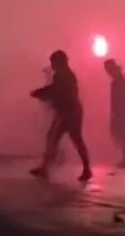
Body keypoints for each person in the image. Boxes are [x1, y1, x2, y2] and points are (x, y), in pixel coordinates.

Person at [30, 50, 93, 182]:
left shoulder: (62, 75)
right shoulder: (66, 74)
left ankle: (46, 168)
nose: (52, 65)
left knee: (55, 137)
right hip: (71, 110)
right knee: (71, 139)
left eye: (53, 62)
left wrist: (40, 93)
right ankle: (85, 169)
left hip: (68, 111)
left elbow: (56, 90)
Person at [104, 59, 125, 168]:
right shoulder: (118, 79)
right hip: (121, 110)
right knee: (122, 135)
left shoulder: (118, 80)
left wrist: (115, 112)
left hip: (120, 110)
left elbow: (120, 97)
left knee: (122, 135)